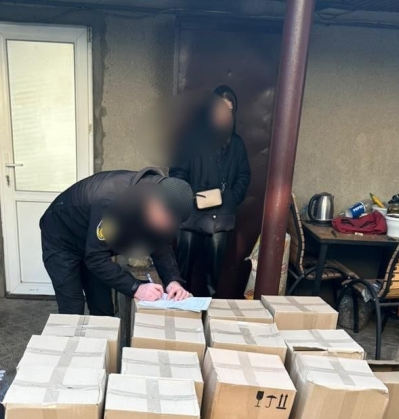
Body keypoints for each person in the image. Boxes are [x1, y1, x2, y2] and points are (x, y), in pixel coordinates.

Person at [40, 168, 194, 315]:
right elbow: (95, 257)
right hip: (62, 237)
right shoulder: (115, 202)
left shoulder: (161, 207)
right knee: (73, 307)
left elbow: (160, 243)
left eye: (171, 224)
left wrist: (172, 281)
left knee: (103, 308)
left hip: (92, 241)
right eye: (165, 220)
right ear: (154, 202)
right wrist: (136, 288)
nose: (165, 226)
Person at [169, 85, 251, 296]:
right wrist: (191, 197)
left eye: (229, 111)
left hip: (220, 219)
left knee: (211, 281)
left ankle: (206, 314)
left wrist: (230, 198)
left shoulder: (236, 145)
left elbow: (243, 177)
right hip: (189, 217)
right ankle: (180, 314)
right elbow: (177, 173)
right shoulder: (190, 140)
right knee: (181, 278)